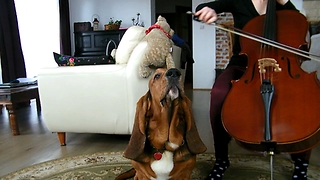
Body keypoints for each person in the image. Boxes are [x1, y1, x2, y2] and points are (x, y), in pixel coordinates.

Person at [194, 0, 312, 179]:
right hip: (244, 65)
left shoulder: (284, 7)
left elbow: (300, 23)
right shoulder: (239, 3)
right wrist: (205, 10)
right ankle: (221, 160)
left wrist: (286, 2)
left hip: (281, 67)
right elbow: (203, 7)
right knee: (218, 94)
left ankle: (301, 163)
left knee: (304, 101)